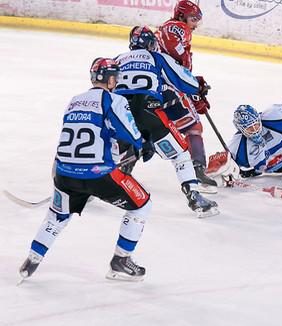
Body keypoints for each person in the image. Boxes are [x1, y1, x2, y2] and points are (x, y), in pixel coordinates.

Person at [19, 58, 155, 282]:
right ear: (111, 79)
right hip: (99, 175)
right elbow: (130, 135)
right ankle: (120, 261)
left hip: (64, 173)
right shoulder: (113, 99)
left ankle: (33, 259)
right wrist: (144, 142)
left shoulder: (74, 101)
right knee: (142, 205)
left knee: (57, 216)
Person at [114, 25, 218, 218]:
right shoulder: (157, 58)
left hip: (120, 116)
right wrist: (199, 87)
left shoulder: (116, 60)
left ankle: (93, 184)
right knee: (180, 154)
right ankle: (194, 197)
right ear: (152, 44)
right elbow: (184, 81)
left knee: (108, 153)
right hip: (149, 114)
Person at [155, 0, 218, 193]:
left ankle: (117, 168)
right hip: (170, 89)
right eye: (193, 19)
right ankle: (197, 170)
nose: (194, 24)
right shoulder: (178, 27)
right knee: (193, 127)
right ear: (181, 16)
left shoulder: (165, 28)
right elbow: (178, 60)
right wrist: (193, 88)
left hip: (153, 90)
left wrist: (192, 82)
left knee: (143, 135)